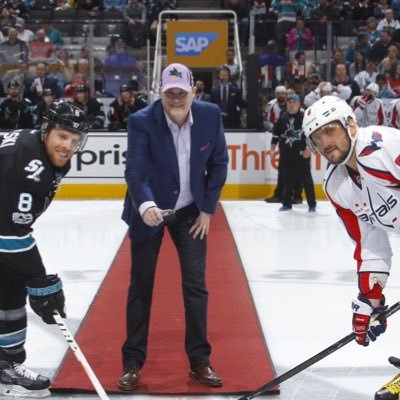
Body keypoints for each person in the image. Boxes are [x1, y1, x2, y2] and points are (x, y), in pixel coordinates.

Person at [119, 62, 228, 391]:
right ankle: (132, 364)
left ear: (193, 90)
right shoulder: (141, 121)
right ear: (160, 92)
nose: (176, 98)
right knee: (140, 287)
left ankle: (199, 361)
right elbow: (135, 171)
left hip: (191, 211)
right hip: (150, 209)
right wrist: (147, 205)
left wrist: (207, 209)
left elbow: (219, 163)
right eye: (170, 92)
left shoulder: (210, 115)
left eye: (182, 92)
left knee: (196, 288)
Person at [302, 95, 400, 399]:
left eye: (330, 130)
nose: (325, 141)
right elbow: (369, 240)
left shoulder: (382, 148)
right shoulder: (335, 184)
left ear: (351, 125)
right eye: (317, 138)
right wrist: (370, 298)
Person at [0, 100, 88, 398]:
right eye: (62, 136)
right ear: (45, 130)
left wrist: (34, 280)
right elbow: (10, 234)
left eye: (76, 140)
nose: (68, 145)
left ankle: (6, 362)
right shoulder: (27, 167)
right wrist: (39, 280)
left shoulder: (46, 154)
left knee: (10, 286)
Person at [270, 93, 316, 212]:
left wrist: (310, 149)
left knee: (306, 180)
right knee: (287, 180)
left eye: (294, 102)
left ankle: (312, 204)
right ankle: (286, 204)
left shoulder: (305, 118)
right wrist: (272, 150)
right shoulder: (282, 118)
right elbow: (275, 136)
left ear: (299, 104)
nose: (291, 104)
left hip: (301, 155)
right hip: (286, 156)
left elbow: (312, 136)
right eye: (289, 102)